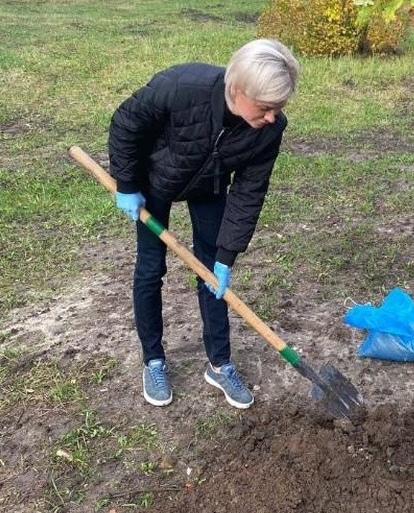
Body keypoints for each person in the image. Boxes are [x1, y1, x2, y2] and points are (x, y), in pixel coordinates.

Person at [108, 39, 300, 408]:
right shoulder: (181, 87)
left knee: (213, 276)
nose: (273, 116)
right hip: (155, 181)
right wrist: (128, 184)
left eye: (279, 107)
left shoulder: (269, 130)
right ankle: (153, 359)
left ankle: (220, 363)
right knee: (150, 268)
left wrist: (227, 254)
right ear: (238, 90)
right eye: (265, 107)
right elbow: (126, 123)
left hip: (209, 186)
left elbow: (249, 191)